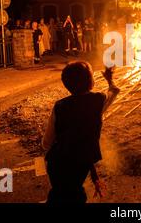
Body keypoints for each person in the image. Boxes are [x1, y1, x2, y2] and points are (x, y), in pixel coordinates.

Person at [42, 62, 120, 203]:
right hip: (78, 166)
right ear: (90, 81)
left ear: (67, 84)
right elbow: (114, 91)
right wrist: (109, 79)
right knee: (73, 196)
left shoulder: (60, 106)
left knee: (60, 195)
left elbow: (46, 143)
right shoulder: (98, 101)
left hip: (56, 164)